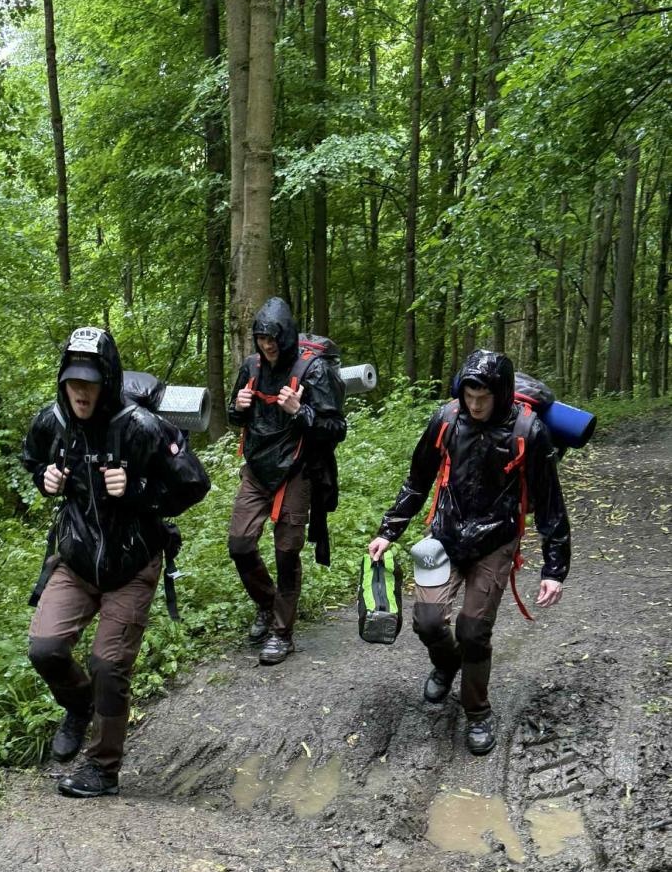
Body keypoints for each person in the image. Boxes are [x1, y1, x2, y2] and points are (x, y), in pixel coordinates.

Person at [22, 326, 210, 797]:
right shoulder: (53, 421)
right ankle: (79, 706)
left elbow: (193, 485)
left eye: (89, 381)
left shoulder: (141, 427)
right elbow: (30, 460)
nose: (80, 391)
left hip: (132, 562)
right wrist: (44, 478)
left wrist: (140, 492)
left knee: (108, 664)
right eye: (72, 381)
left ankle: (103, 768)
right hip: (75, 558)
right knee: (45, 650)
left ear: (107, 378)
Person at [367, 349, 570, 755]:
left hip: (496, 540)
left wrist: (554, 568)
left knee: (474, 630)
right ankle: (446, 664)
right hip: (444, 534)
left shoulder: (528, 432)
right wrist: (389, 530)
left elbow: (550, 504)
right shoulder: (445, 420)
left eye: (483, 398)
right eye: (468, 397)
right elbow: (418, 480)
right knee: (426, 621)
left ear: (502, 394)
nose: (474, 406)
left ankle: (477, 711)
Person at [227, 297, 347, 665]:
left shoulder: (313, 371)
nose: (267, 345)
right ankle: (266, 604)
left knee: (286, 551)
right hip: (258, 469)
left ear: (287, 336)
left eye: (273, 338)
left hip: (297, 471)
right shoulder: (251, 367)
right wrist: (238, 407)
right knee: (240, 543)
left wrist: (300, 412)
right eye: (261, 338)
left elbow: (335, 429)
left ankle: (282, 633)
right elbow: (235, 417)